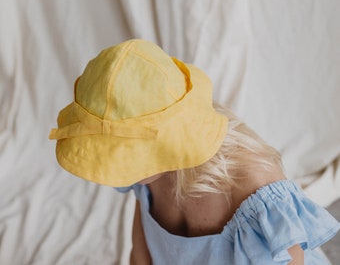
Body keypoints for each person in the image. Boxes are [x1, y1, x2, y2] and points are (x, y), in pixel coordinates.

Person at [50, 39, 340, 264]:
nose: (120, 164)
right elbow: (141, 257)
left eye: (127, 151)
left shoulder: (257, 194)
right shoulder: (147, 177)